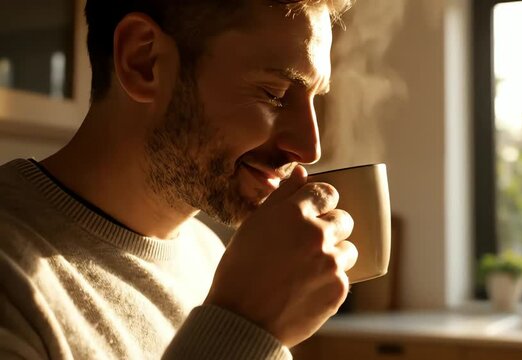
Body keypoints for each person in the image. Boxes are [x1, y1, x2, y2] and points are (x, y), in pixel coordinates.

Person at [0, 0, 358, 358]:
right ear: (143, 62)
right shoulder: (12, 281)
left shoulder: (216, 259)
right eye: (274, 94)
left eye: (313, 99)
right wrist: (242, 326)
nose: (310, 149)